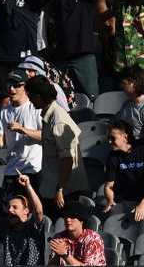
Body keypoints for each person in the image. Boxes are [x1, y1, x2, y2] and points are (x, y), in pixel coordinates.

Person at [26, 75, 90, 218]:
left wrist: (60, 189)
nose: (29, 100)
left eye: (30, 95)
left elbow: (67, 159)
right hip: (53, 185)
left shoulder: (58, 119)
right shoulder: (49, 115)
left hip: (63, 191)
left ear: (38, 96)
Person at [0, 173, 46, 267]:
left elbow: (39, 211)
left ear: (26, 211)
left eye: (15, 207)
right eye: (9, 207)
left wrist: (28, 186)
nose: (10, 210)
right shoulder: (5, 226)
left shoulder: (34, 227)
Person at [103, 119, 144, 220]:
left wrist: (143, 204)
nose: (109, 141)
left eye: (112, 138)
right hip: (127, 201)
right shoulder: (112, 157)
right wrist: (110, 200)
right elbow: (108, 186)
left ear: (125, 137)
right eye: (108, 138)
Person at [48, 201, 107, 266]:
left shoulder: (93, 239)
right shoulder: (59, 238)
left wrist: (65, 255)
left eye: (72, 216)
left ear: (81, 220)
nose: (68, 219)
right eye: (66, 216)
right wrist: (57, 256)